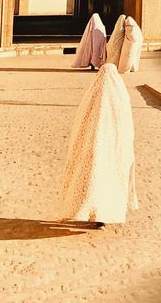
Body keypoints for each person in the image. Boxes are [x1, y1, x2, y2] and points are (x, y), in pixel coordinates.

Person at [59, 63, 138, 226]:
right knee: (110, 180)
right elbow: (127, 126)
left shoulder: (92, 97)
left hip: (94, 148)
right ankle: (104, 215)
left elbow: (81, 125)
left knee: (94, 180)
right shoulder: (120, 96)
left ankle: (91, 212)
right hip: (114, 150)